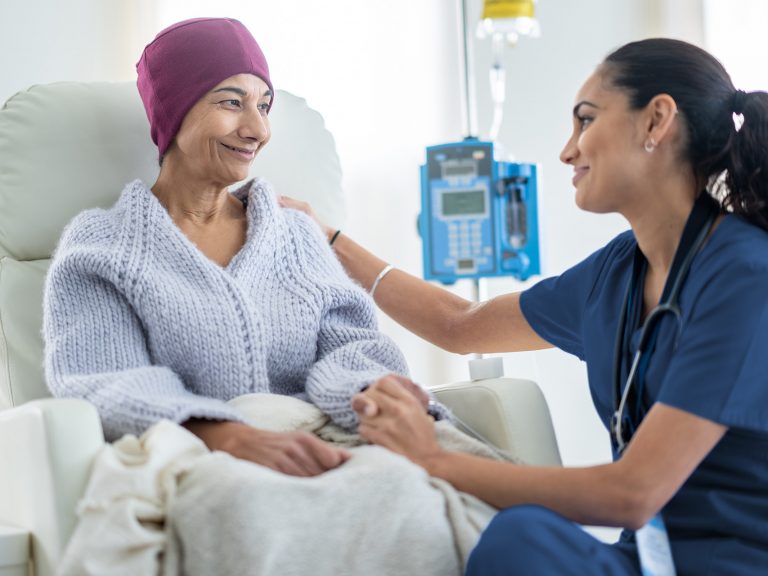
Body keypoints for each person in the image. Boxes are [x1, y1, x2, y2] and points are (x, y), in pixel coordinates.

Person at [281, 38, 768, 574]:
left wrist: (432, 459)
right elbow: (460, 324)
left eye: (586, 120)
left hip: (732, 564)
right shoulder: (616, 273)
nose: (568, 150)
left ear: (656, 121)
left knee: (517, 539)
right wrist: (329, 240)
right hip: (645, 561)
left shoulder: (745, 276)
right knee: (519, 538)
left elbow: (635, 494)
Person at [43, 17, 440, 479]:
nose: (258, 130)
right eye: (232, 103)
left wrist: (370, 393)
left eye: (264, 107)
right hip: (199, 459)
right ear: (174, 113)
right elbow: (105, 377)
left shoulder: (293, 233)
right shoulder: (103, 247)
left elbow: (351, 346)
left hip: (332, 441)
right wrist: (224, 435)